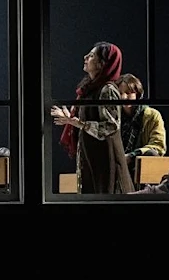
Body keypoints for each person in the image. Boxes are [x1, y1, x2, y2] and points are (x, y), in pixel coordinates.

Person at [51, 42, 134, 194]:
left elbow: (111, 126)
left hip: (106, 159)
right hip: (93, 155)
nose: (85, 57)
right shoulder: (90, 89)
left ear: (102, 63)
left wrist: (79, 123)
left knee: (106, 196)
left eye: (91, 56)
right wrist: (71, 119)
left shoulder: (107, 90)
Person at [117, 73, 167, 182]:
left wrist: (132, 156)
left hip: (140, 164)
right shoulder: (114, 116)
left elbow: (157, 147)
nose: (123, 97)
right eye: (120, 93)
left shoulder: (152, 115)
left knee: (150, 154)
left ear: (137, 94)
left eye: (128, 93)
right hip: (118, 164)